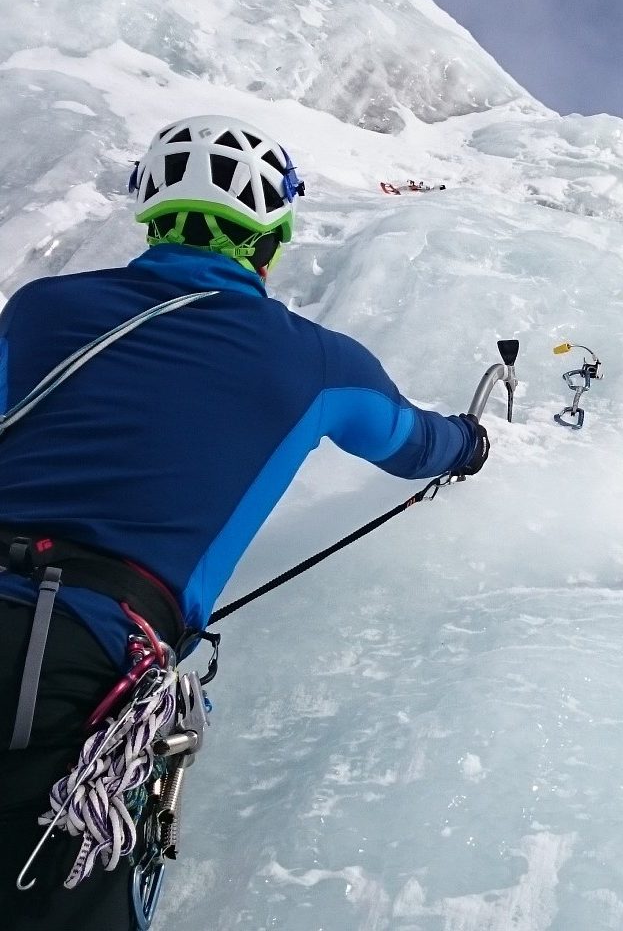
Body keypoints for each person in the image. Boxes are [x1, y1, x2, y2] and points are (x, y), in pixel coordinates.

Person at [0, 115, 491, 930]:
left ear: (150, 214)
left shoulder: (43, 308)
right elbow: (410, 442)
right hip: (79, 655)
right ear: (273, 237)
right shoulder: (314, 360)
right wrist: (470, 444)